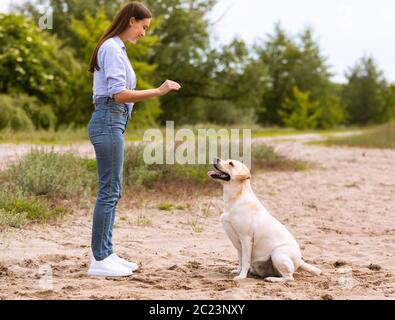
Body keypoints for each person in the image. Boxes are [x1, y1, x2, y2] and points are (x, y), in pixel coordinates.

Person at [87, 1, 181, 277]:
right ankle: (100, 260)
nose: (144, 32)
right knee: (109, 191)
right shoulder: (112, 48)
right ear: (131, 21)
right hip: (108, 120)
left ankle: (107, 253)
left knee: (113, 191)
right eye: (143, 26)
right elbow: (118, 94)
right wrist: (158, 91)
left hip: (112, 121)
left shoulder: (116, 49)